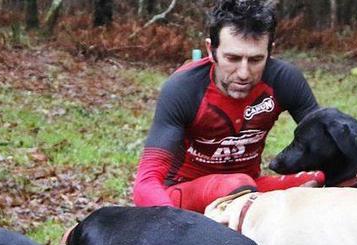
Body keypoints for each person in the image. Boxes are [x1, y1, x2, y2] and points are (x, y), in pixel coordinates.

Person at [132, 0, 324, 212]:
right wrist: (174, 223)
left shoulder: (284, 79)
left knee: (319, 178)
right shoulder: (184, 88)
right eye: (232, 58)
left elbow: (326, 139)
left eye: (256, 60)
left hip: (250, 186)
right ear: (211, 50)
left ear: (270, 52)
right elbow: (146, 181)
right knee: (236, 184)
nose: (243, 73)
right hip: (185, 190)